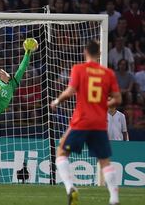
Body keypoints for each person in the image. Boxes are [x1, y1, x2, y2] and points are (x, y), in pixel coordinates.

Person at [50, 40, 122, 205]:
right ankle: (114, 198)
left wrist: (56, 101)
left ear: (85, 52)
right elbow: (118, 98)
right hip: (99, 122)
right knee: (104, 160)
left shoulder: (79, 69)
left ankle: (70, 188)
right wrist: (103, 104)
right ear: (99, 54)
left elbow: (69, 92)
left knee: (61, 153)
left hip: (81, 120)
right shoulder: (108, 73)